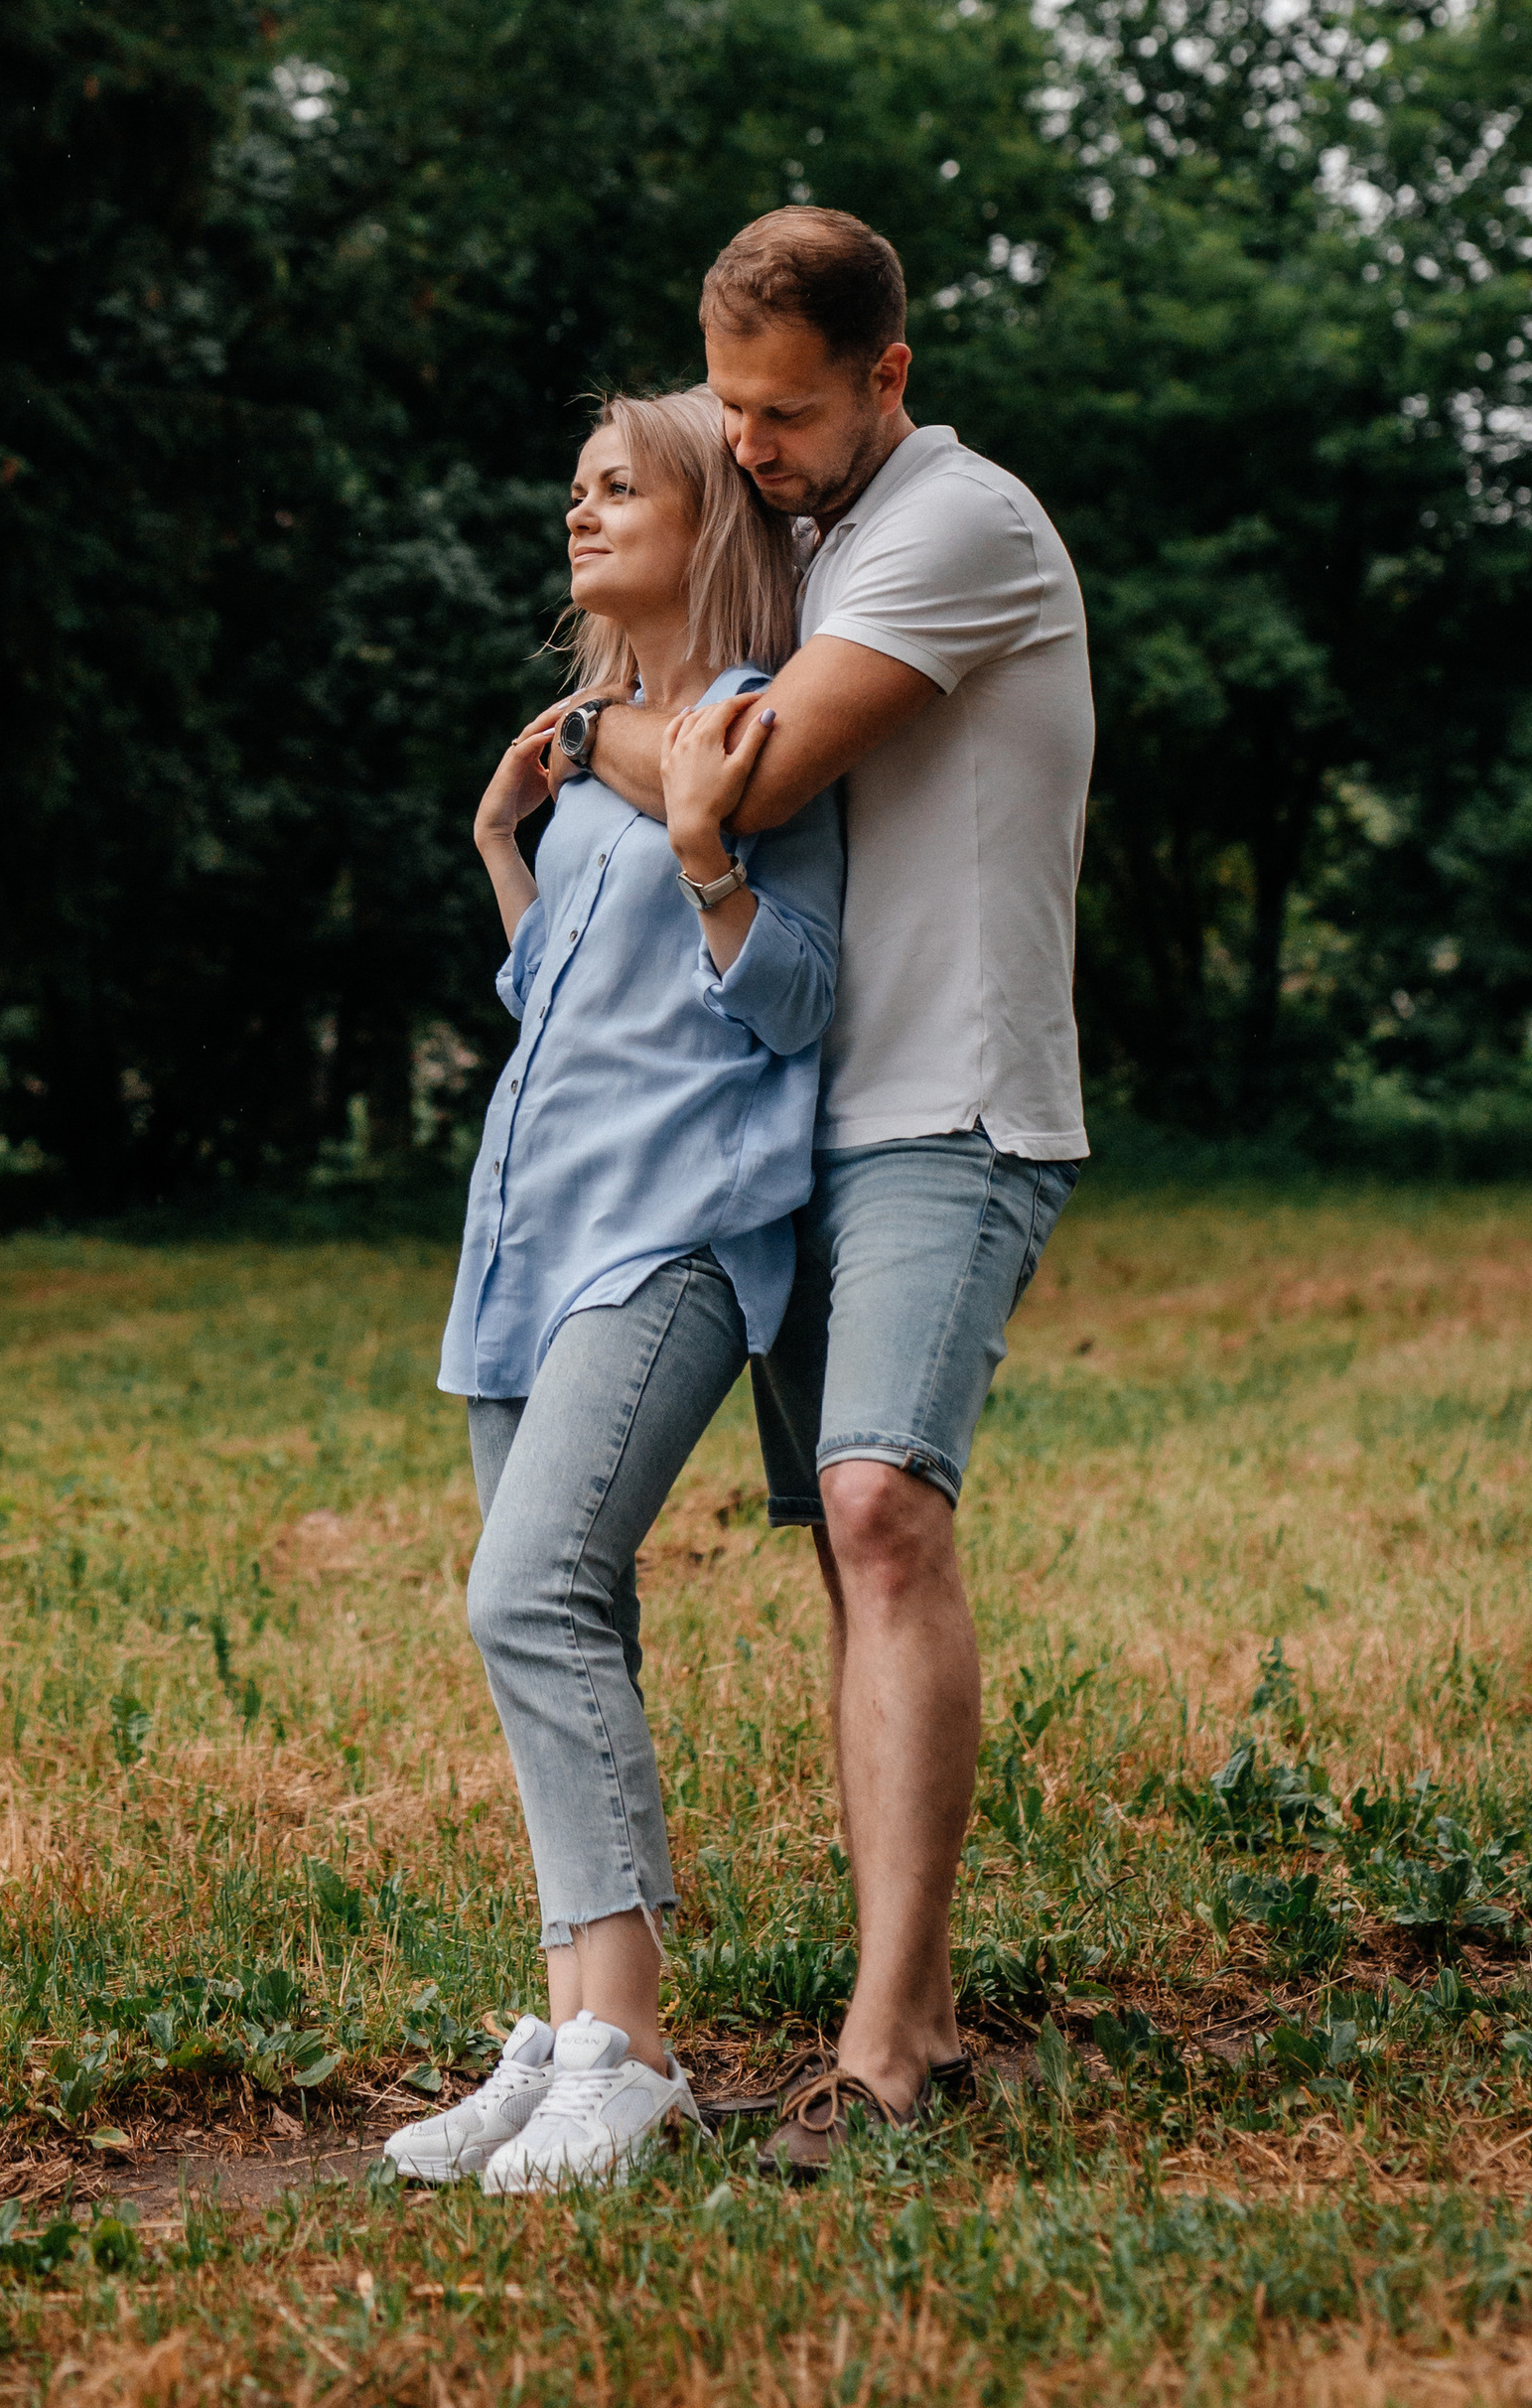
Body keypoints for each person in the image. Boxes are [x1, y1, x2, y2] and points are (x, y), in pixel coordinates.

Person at [571, 210, 1093, 2177]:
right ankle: (916, 2005)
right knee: (841, 1541)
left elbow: (750, 781)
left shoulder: (955, 526)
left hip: (945, 1110)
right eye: (727, 411)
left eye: (783, 414)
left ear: (888, 374)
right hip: (801, 1114)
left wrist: (571, 741)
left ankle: (888, 2056)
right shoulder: (797, 531)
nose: (751, 448)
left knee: (881, 1506)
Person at [384, 388, 845, 2196]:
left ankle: (633, 2055)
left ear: (707, 512)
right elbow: (576, 1011)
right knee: (556, 1629)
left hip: (673, 1233)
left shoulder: (749, 732)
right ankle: (571, 2020)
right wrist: (505, 848)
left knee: (533, 1594)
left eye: (618, 485)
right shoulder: (592, 750)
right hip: (529, 1233)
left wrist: (711, 845)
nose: (580, 513)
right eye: (570, 487)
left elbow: (796, 993)